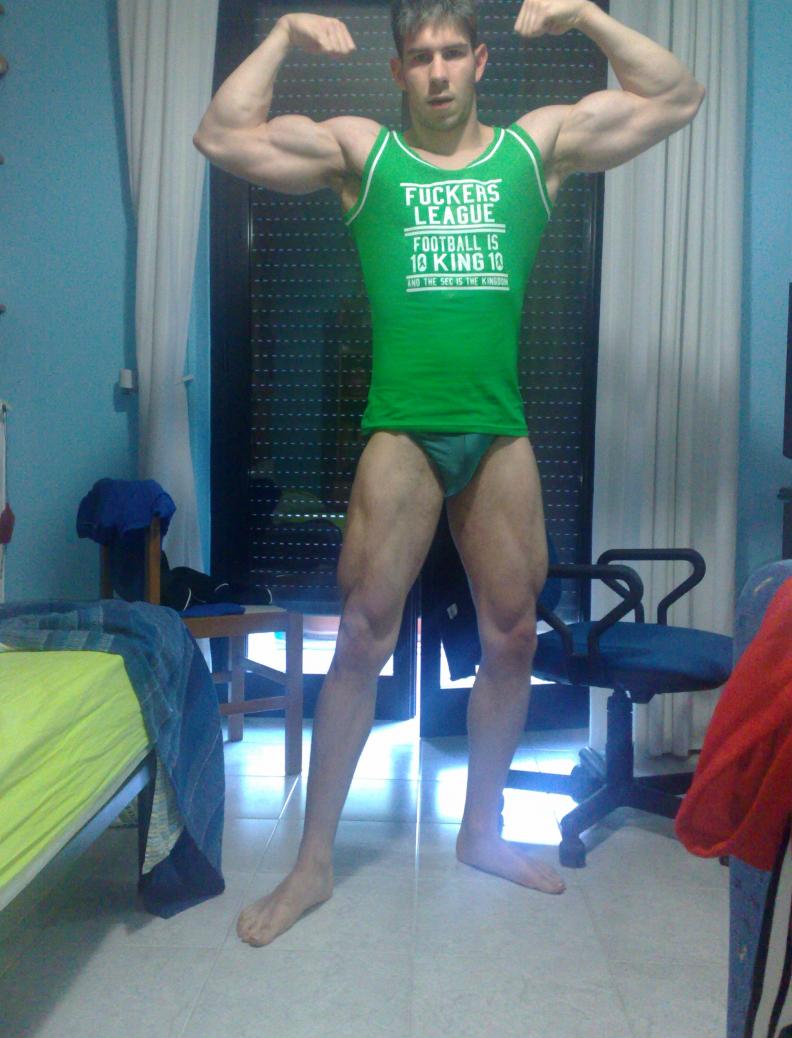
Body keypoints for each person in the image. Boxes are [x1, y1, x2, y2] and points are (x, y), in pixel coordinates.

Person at [193, 0, 705, 947]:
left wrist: (587, 15)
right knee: (360, 636)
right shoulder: (365, 155)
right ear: (399, 72)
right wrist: (282, 35)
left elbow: (676, 95)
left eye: (452, 53)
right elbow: (222, 134)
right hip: (401, 431)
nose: (436, 70)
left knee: (511, 635)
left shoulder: (532, 151)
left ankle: (480, 831)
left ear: (479, 62)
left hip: (497, 431)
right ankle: (312, 863)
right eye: (419, 56)